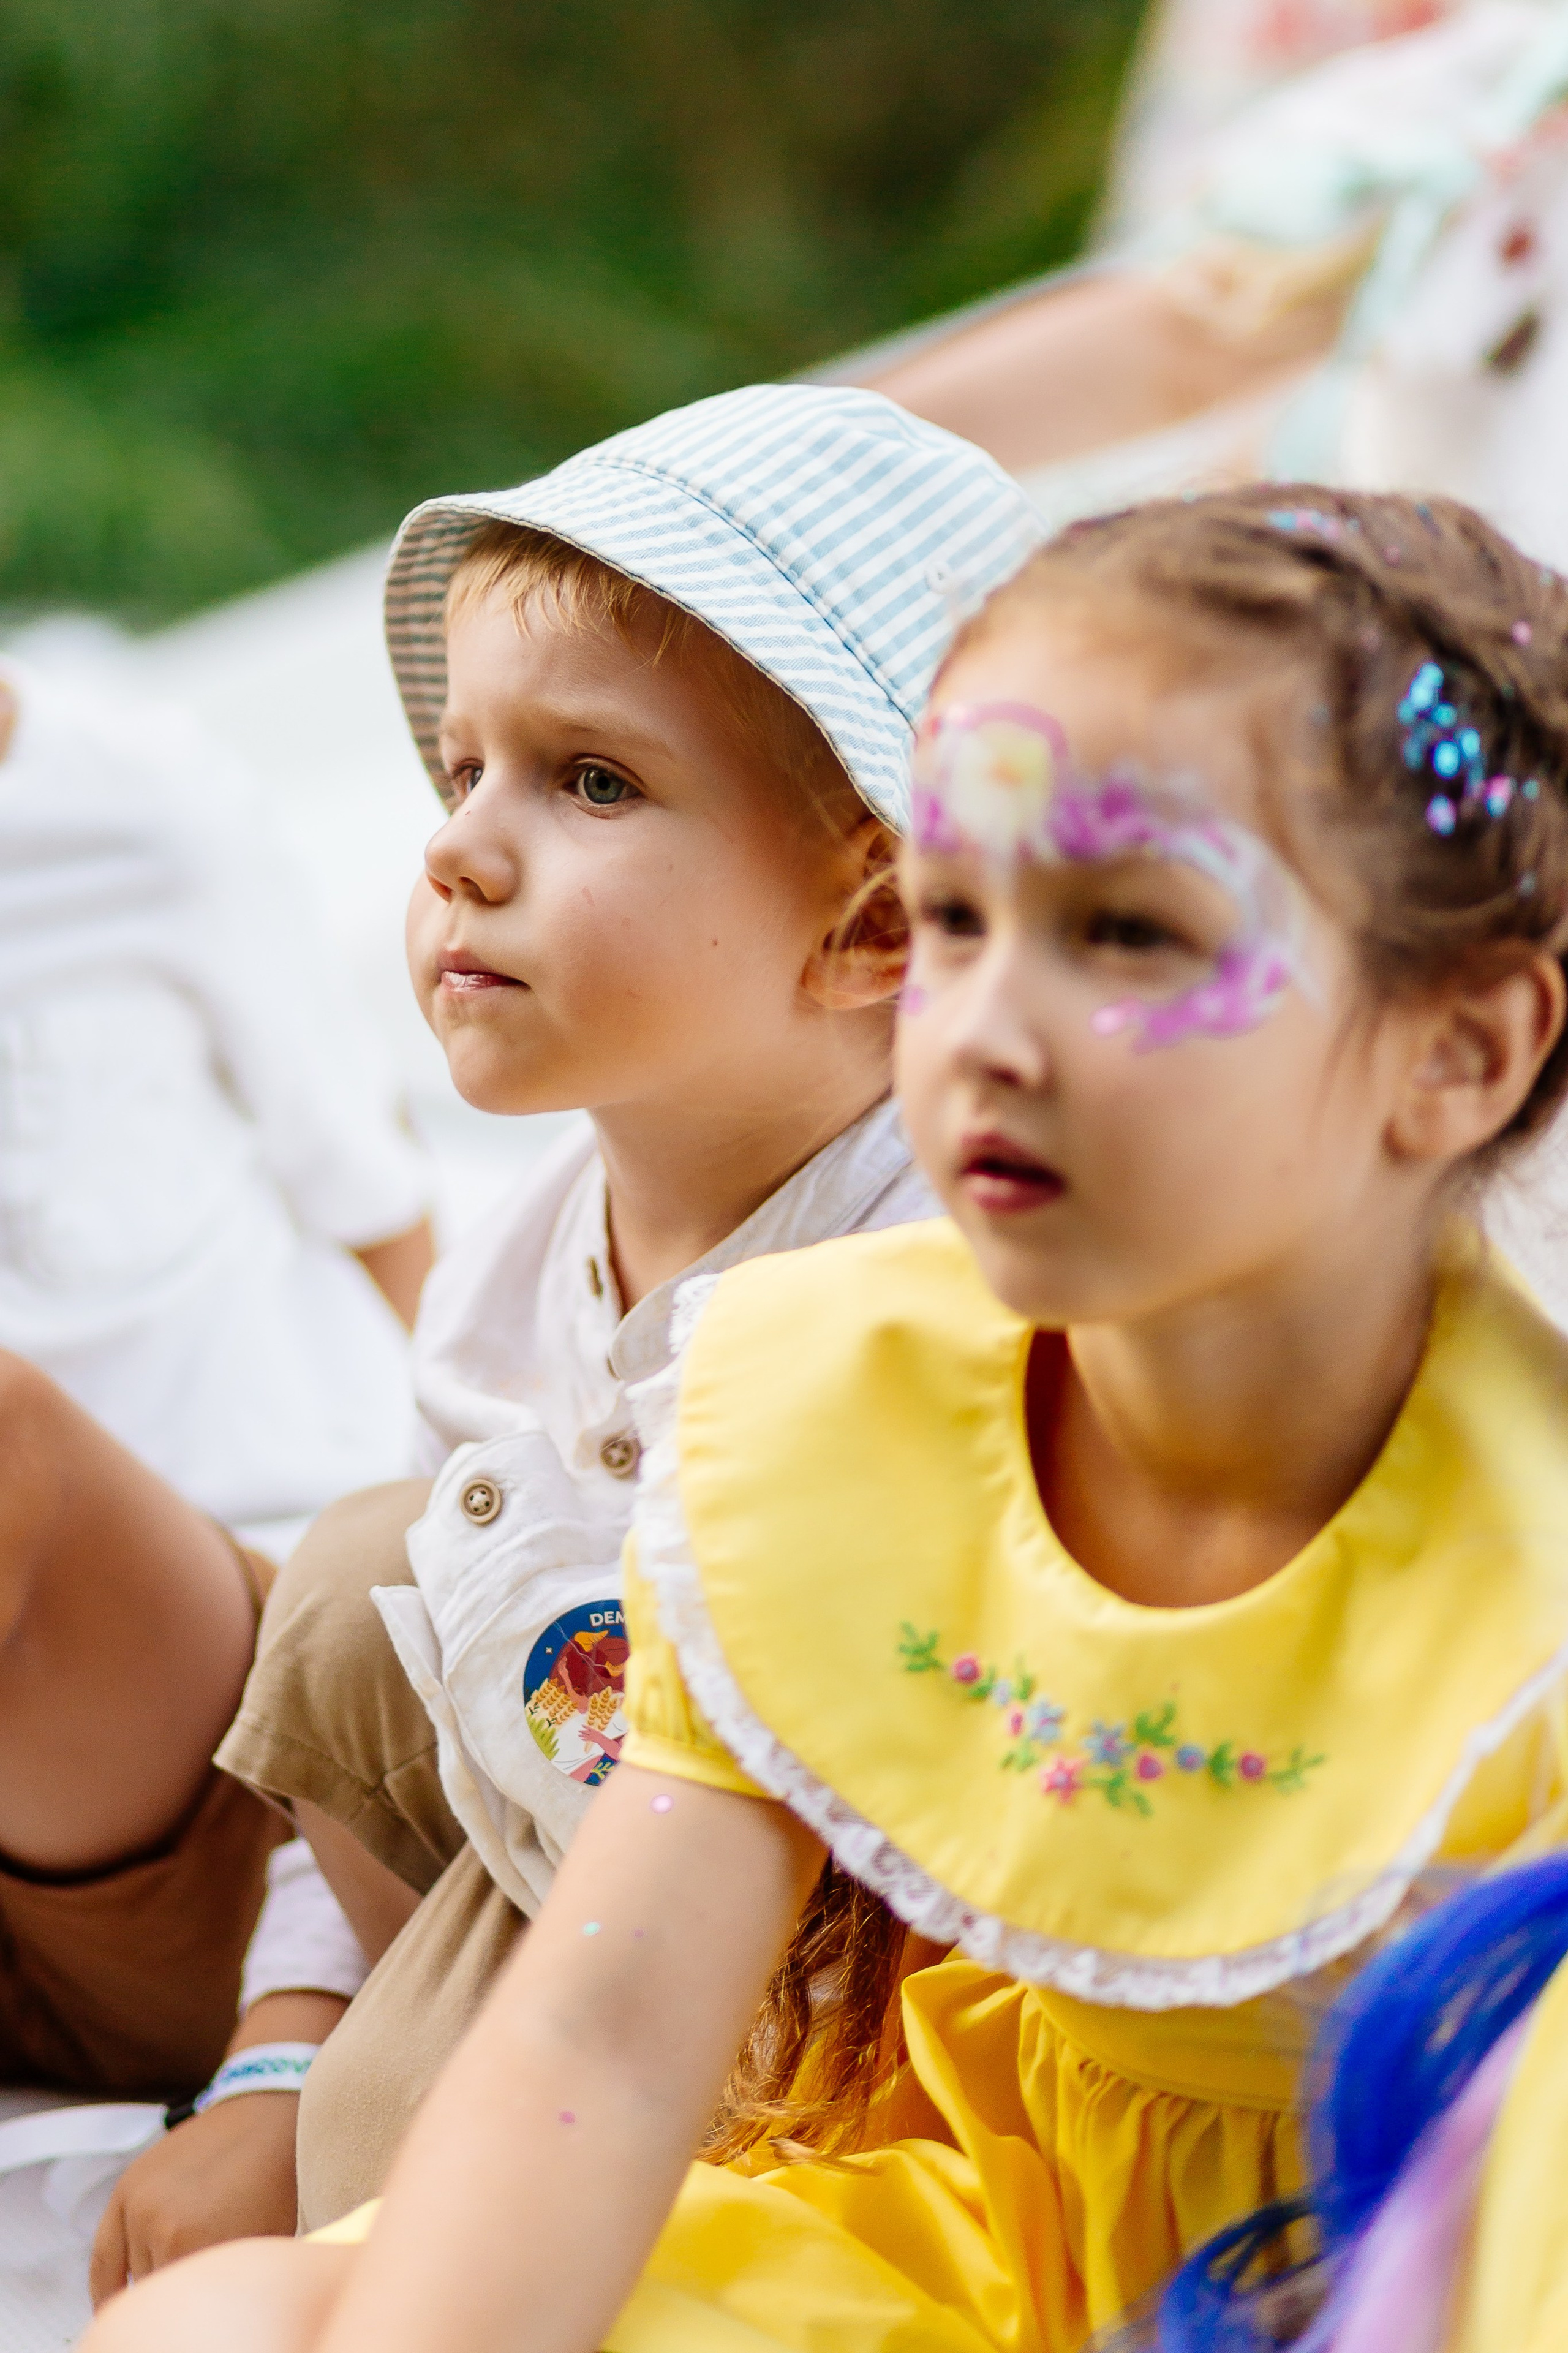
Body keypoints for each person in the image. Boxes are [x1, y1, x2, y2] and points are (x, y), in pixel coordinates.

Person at [80, 481, 1568, 2352]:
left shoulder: (1536, 1581)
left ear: (1463, 1050)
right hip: (956, 2235)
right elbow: (605, 2045)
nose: (985, 1026)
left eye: (1125, 933)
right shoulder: (823, 1388)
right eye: (957, 915)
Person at [80, 382, 1044, 2287]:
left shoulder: (944, 1299)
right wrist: (280, 2047)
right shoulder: (517, 1278)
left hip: (822, 1991)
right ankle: (364, 2135)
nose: (465, 851)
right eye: (463, 774)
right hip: (568, 1803)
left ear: (874, 922)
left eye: (590, 784)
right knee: (363, 1571)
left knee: (403, 2170)